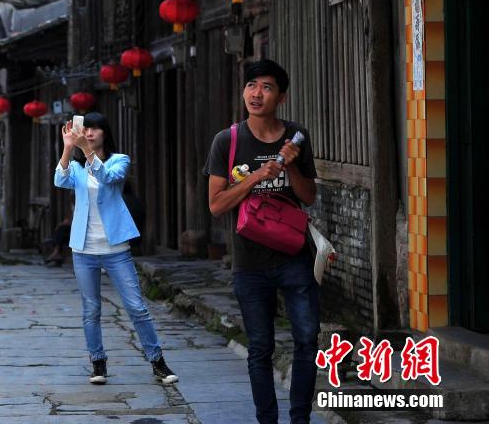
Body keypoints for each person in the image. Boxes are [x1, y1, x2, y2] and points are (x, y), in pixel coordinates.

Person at [204, 59, 319, 424]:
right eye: (252, 85)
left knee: (307, 340)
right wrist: (258, 175)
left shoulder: (296, 136)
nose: (257, 93)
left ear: (280, 97)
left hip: (294, 255)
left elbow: (309, 196)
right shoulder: (228, 141)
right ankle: (267, 420)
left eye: (267, 87)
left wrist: (292, 166)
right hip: (250, 264)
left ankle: (299, 418)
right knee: (260, 349)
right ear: (244, 92)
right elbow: (217, 204)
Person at [54, 111, 179, 386]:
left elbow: (108, 178)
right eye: (85, 129)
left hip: (116, 247)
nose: (88, 133)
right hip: (83, 248)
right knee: (91, 309)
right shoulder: (77, 167)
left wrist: (87, 151)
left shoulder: (119, 160)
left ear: (104, 133)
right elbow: (60, 180)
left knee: (136, 306)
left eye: (94, 129)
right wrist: (67, 148)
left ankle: (157, 361)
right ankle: (98, 363)